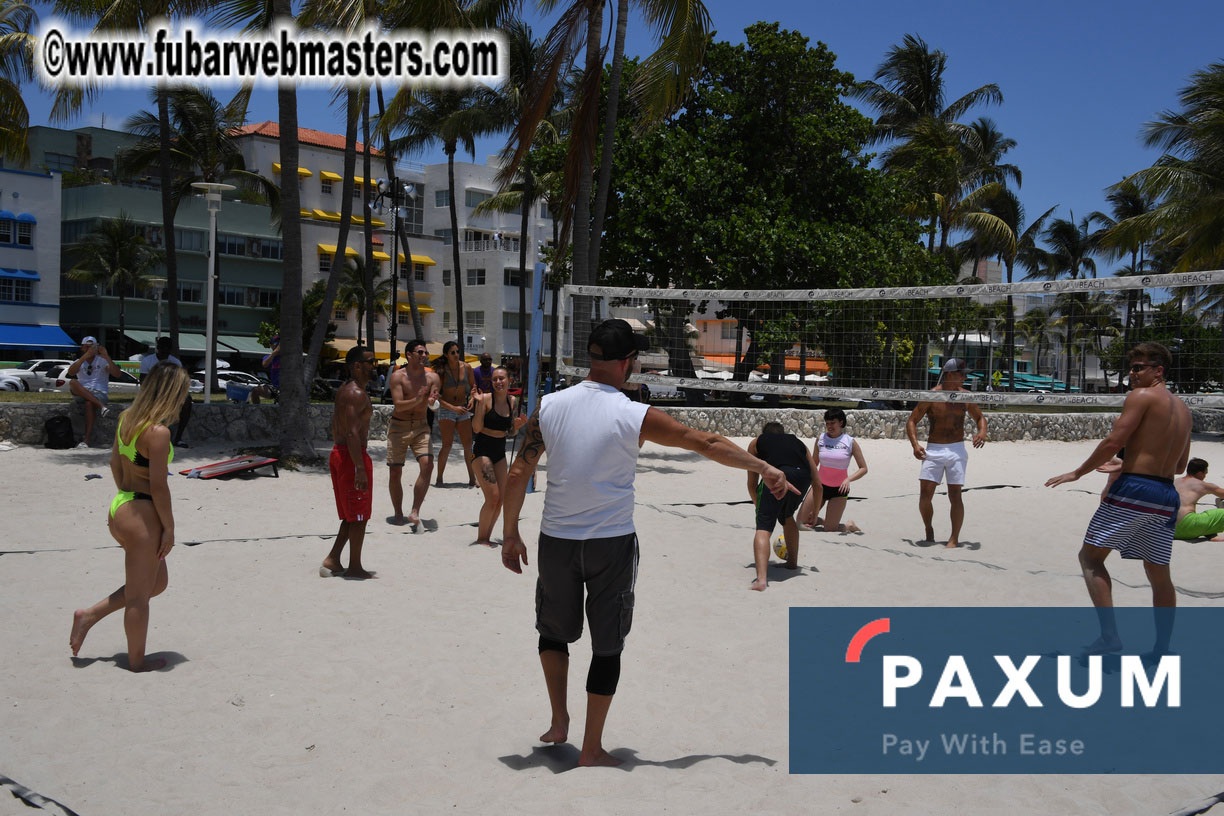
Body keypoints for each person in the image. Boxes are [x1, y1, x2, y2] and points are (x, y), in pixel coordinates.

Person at [500, 318, 798, 767]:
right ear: (628, 362)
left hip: (556, 540)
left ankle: (559, 720)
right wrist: (765, 468)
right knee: (607, 645)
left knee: (552, 632)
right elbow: (705, 442)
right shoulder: (633, 413)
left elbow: (519, 470)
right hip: (611, 543)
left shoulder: (550, 406)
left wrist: (509, 534)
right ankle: (591, 748)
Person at [1046, 342, 1191, 655]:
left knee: (1090, 558)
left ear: (1159, 370)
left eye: (1139, 368)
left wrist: (1078, 473)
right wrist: (1132, 462)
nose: (1132, 374)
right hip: (1166, 495)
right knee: (1159, 574)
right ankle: (1161, 648)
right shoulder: (1183, 410)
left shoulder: (1141, 396)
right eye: (1132, 368)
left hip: (1134, 490)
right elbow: (1180, 466)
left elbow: (1113, 441)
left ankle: (1110, 637)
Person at [69, 362, 190, 671]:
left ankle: (90, 615)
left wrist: (126, 496)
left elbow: (114, 462)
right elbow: (159, 487)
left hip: (122, 506)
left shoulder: (127, 419)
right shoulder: (158, 432)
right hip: (142, 515)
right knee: (139, 598)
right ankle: (136, 662)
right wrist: (169, 528)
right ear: (172, 394)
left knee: (156, 583)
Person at [905, 358, 988, 548]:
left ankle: (954, 538)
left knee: (955, 495)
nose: (965, 378)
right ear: (950, 374)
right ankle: (928, 528)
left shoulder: (965, 396)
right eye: (961, 374)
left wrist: (982, 432)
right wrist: (915, 445)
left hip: (956, 449)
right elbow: (912, 420)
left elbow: (980, 417)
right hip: (933, 449)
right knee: (925, 496)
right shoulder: (932, 395)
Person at [321, 346, 378, 579]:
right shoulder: (355, 394)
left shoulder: (347, 390)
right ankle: (355, 567)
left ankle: (333, 559)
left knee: (351, 514)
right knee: (359, 515)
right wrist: (360, 468)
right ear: (357, 366)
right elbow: (353, 433)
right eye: (370, 362)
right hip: (351, 456)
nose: (374, 366)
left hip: (342, 454)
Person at [747, 421, 818, 590]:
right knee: (786, 516)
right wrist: (815, 513)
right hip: (802, 478)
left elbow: (751, 484)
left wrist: (759, 506)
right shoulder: (799, 444)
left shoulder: (757, 442)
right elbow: (818, 483)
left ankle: (761, 580)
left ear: (763, 433)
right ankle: (792, 563)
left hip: (778, 476)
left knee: (763, 527)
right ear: (783, 433)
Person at [471, 366, 528, 546]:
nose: (498, 382)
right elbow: (476, 429)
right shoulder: (485, 399)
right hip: (482, 451)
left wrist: (516, 426)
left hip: (499, 452)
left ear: (509, 380)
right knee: (493, 497)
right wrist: (479, 404)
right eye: (495, 379)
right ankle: (481, 538)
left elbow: (510, 432)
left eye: (501, 378)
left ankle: (486, 537)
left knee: (501, 499)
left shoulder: (512, 401)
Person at [386, 338, 440, 529]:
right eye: (420, 352)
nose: (424, 355)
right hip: (398, 426)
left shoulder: (433, 378)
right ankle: (398, 513)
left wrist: (432, 402)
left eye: (426, 352)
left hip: (421, 426)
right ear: (409, 355)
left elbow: (434, 403)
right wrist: (418, 399)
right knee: (395, 472)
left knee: (428, 465)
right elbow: (399, 406)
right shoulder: (398, 376)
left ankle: (415, 510)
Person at [799, 408, 867, 534]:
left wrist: (848, 479)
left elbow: (863, 468)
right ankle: (821, 520)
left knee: (830, 529)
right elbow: (814, 463)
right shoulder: (821, 439)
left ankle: (849, 525)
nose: (829, 426)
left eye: (833, 423)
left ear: (841, 422)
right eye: (827, 423)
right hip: (819, 487)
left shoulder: (850, 442)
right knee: (801, 522)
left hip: (839, 490)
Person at [434, 340, 477, 486]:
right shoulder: (441, 371)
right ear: (446, 354)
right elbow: (437, 396)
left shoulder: (467, 367)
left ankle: (472, 478)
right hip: (447, 408)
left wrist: (472, 398)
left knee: (468, 445)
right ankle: (439, 478)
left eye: (458, 351)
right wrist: (453, 408)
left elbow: (473, 387)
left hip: (462, 407)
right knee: (447, 445)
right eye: (452, 352)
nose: (456, 354)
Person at [67, 336, 122, 448]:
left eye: (92, 347)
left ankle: (86, 440)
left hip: (98, 392)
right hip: (82, 391)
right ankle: (101, 406)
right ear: (82, 348)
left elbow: (117, 374)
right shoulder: (79, 361)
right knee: (73, 382)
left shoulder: (103, 361)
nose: (90, 350)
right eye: (87, 347)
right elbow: (71, 373)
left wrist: (106, 356)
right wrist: (85, 357)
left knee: (89, 403)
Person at [139, 337, 192, 447]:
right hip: (152, 392)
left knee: (187, 401)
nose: (164, 351)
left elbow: (179, 382)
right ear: (157, 348)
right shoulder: (147, 361)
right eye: (162, 348)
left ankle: (178, 438)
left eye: (167, 349)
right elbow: (143, 382)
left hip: (170, 393)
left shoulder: (175, 362)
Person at [1173, 458, 1224, 541]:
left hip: (1170, 529)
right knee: (1220, 513)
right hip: (1187, 527)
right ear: (1200, 473)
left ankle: (1211, 534)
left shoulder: (1176, 481)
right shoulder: (1202, 485)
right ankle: (1210, 533)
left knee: (1201, 516)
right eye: (1205, 473)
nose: (1205, 476)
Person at [251, 337, 280, 404]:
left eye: (279, 343)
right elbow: (265, 364)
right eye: (275, 343)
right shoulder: (268, 357)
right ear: (270, 345)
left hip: (287, 387)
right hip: (275, 387)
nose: (277, 345)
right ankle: (257, 409)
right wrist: (275, 352)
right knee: (255, 390)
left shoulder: (288, 357)